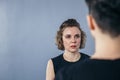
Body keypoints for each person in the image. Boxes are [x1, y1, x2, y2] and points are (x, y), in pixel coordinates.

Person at [55, 0, 120, 80]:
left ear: (91, 22)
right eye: (68, 36)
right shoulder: (59, 69)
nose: (73, 40)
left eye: (77, 36)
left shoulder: (66, 76)